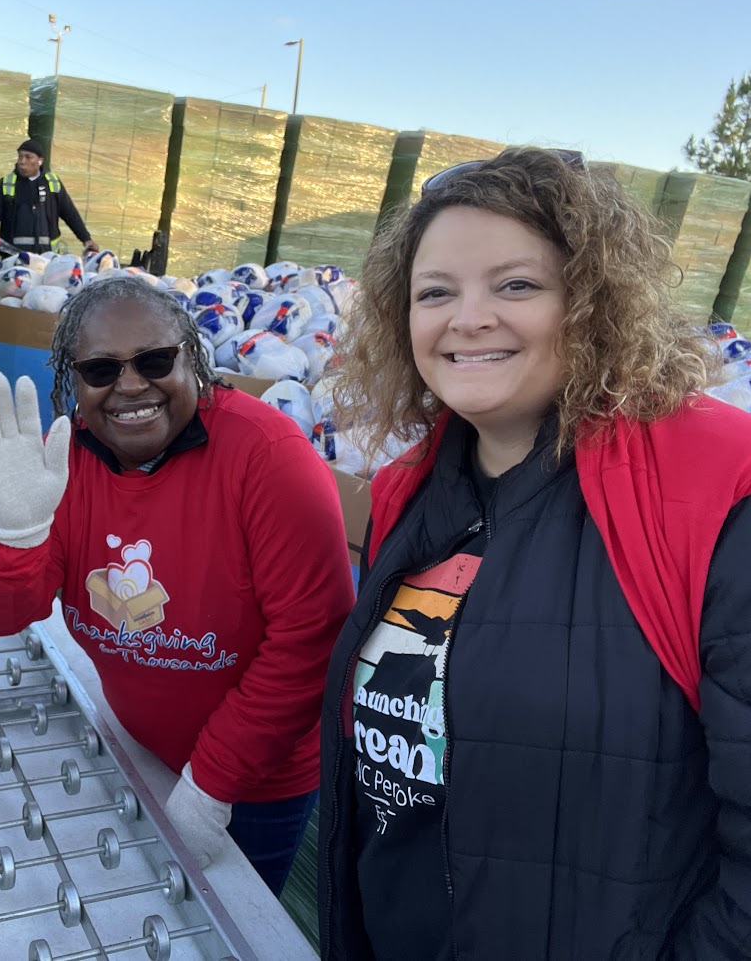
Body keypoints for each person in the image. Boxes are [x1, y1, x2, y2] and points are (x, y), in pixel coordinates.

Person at [315, 147, 751, 959]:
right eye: (434, 292)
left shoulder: (715, 487)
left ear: (589, 302)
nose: (467, 317)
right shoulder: (413, 490)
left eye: (515, 285)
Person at [0, 276, 354, 894]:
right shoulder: (67, 461)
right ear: (72, 379)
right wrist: (14, 533)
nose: (131, 384)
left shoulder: (269, 457)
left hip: (255, 780)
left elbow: (311, 642)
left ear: (193, 358)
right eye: (101, 368)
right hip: (140, 748)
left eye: (156, 360)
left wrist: (212, 782)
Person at [0, 138, 99, 253]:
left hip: (47, 257)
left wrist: (86, 239)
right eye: (20, 157)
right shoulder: (7, 184)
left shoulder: (52, 183)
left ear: (40, 161)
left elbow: (69, 212)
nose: (22, 162)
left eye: (28, 157)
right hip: (13, 257)